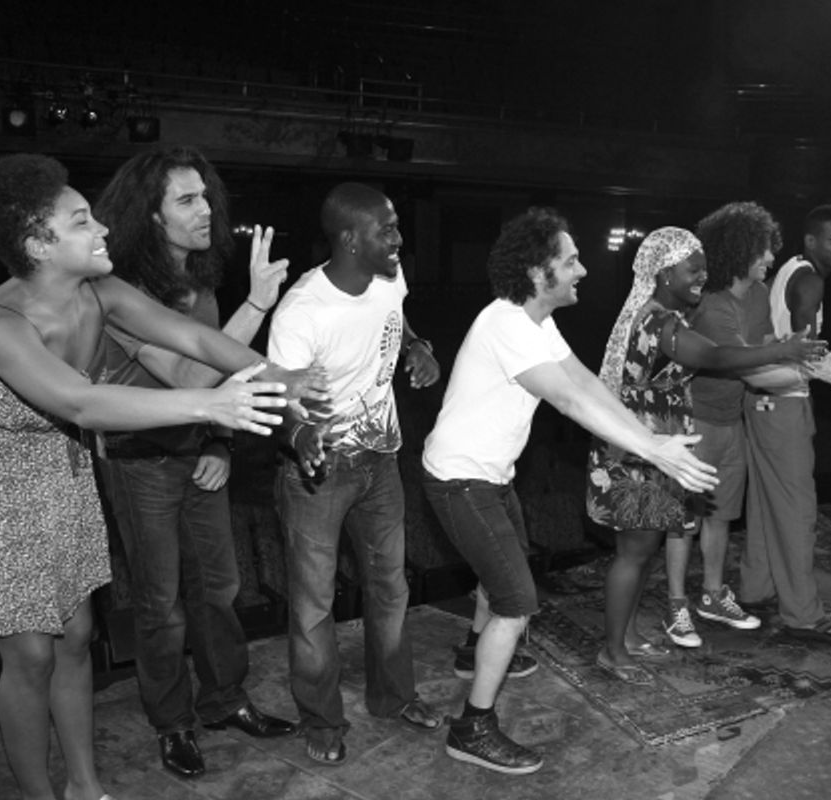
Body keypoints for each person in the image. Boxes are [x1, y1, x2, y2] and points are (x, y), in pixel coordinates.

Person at [0, 154, 290, 800]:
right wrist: (211, 406)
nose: (102, 230)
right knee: (30, 654)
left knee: (77, 637)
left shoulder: (101, 293)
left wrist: (281, 379)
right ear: (38, 243)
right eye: (81, 221)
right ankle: (41, 794)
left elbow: (196, 342)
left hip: (60, 467)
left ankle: (85, 786)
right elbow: (83, 403)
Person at [421, 210, 720, 774]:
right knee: (517, 601)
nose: (583, 270)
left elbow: (585, 381)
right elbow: (569, 401)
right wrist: (655, 452)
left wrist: (648, 436)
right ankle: (473, 727)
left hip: (488, 475)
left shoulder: (532, 319)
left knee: (500, 571)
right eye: (570, 261)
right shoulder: (507, 326)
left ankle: (472, 652)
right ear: (538, 273)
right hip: (461, 481)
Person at [91, 147, 297, 780]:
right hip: (140, 460)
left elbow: (210, 371)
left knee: (218, 590)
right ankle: (173, 722)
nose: (205, 209)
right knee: (160, 604)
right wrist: (264, 323)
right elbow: (185, 371)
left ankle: (224, 701)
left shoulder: (199, 283)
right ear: (151, 217)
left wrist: (218, 443)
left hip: (194, 454)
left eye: (206, 196)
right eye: (186, 200)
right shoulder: (118, 293)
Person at [589, 226, 831, 661]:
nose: (703, 275)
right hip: (640, 450)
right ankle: (613, 652)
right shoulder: (658, 321)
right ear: (666, 274)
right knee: (633, 553)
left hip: (657, 447)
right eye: (694, 269)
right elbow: (715, 357)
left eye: (705, 267)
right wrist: (784, 351)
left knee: (644, 548)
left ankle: (626, 637)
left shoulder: (665, 315)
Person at [268, 182, 443, 768]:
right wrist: (299, 435)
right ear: (349, 239)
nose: (398, 239)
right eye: (386, 230)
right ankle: (320, 717)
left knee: (391, 587)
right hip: (318, 472)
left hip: (382, 460)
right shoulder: (302, 312)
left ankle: (393, 698)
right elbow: (271, 401)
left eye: (396, 227)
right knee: (314, 604)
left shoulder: (390, 276)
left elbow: (396, 319)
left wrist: (419, 347)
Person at [667, 203, 831, 648]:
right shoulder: (714, 307)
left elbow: (765, 345)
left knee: (721, 514)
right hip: (698, 421)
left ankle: (716, 595)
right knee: (686, 518)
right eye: (762, 251)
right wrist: (810, 369)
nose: (770, 258)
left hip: (734, 417)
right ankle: (678, 605)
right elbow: (750, 369)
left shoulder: (755, 293)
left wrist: (791, 349)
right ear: (739, 252)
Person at [739, 204, 831, 643]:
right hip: (785, 402)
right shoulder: (809, 279)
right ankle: (802, 614)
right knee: (797, 511)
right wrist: (819, 365)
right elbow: (806, 350)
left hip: (761, 402)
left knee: (765, 503)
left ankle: (758, 586)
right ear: (810, 241)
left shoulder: (790, 269)